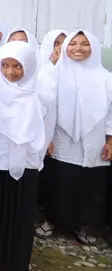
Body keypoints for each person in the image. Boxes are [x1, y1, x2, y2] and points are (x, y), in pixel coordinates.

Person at [0, 41, 55, 271]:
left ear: (28, 66)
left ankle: (17, 266)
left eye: (17, 66)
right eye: (5, 65)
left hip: (27, 162)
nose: (10, 72)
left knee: (20, 214)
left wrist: (37, 157)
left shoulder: (41, 93)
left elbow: (47, 129)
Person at [38, 31, 112, 246]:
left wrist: (110, 141)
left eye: (85, 44)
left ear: (94, 48)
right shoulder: (54, 74)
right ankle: (52, 220)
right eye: (73, 44)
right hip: (61, 137)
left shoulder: (106, 78)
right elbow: (45, 108)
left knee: (90, 184)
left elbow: (110, 113)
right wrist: (47, 138)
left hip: (94, 139)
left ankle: (84, 225)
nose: (78, 48)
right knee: (59, 180)